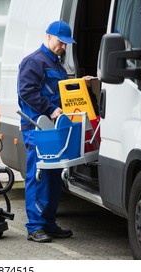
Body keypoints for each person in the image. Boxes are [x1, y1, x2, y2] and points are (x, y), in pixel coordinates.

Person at [17, 20, 93, 243]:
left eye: (67, 44)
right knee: (38, 175)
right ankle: (35, 227)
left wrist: (79, 83)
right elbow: (26, 92)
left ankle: (48, 223)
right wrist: (50, 110)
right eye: (61, 42)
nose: (64, 47)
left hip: (53, 128)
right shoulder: (34, 62)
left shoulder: (56, 65)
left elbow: (59, 91)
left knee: (53, 177)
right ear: (48, 37)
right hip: (37, 128)